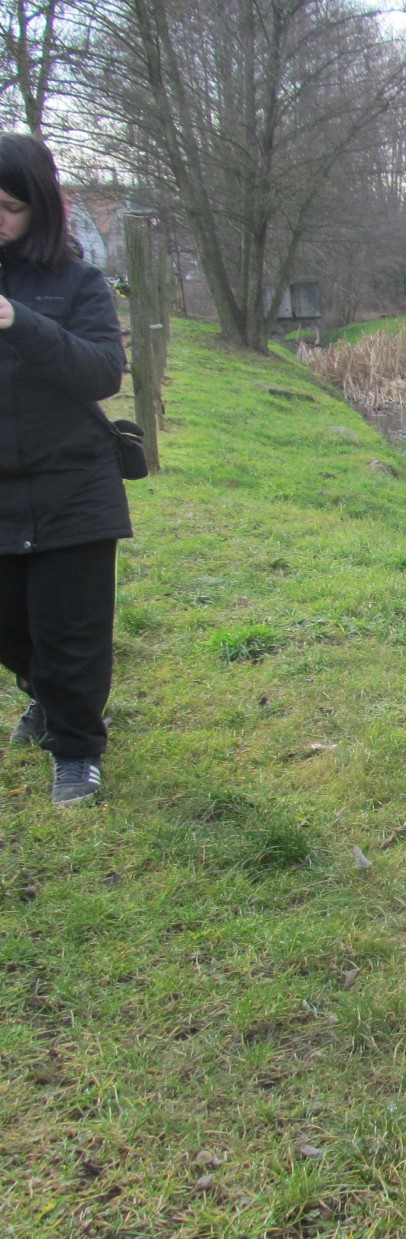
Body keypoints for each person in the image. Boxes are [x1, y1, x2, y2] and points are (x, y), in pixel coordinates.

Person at [0, 133, 129, 805]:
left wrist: (19, 322)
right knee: (11, 627)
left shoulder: (78, 284)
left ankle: (77, 749)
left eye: (9, 207)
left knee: (71, 630)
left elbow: (103, 371)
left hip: (73, 482)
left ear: (42, 208)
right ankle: (48, 696)